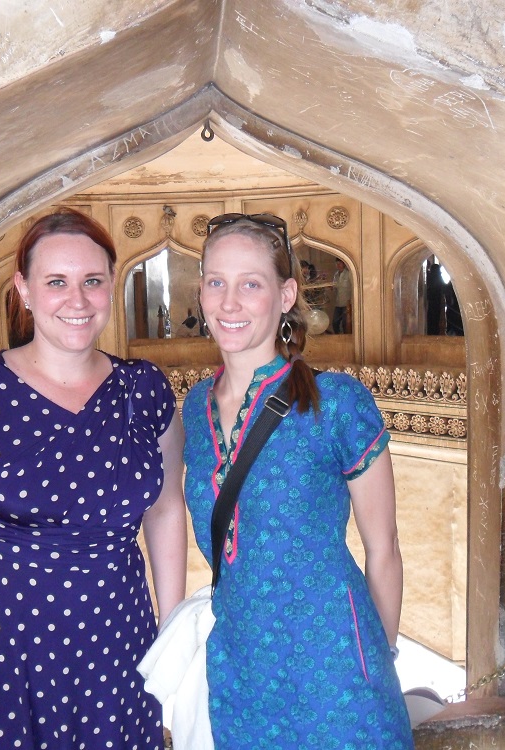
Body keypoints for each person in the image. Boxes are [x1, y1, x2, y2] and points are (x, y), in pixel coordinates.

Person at [0, 208, 187, 749]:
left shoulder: (143, 391)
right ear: (23, 289)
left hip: (114, 636)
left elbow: (166, 508)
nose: (77, 301)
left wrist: (171, 632)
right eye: (56, 282)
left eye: (92, 282)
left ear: (110, 288)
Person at [181, 214, 413, 748]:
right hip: (241, 666)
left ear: (286, 295)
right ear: (200, 294)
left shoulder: (335, 402)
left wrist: (380, 661)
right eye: (216, 282)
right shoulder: (194, 410)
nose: (230, 303)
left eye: (251, 285)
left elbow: (384, 548)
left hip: (336, 667)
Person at [331, 258, 352, 333]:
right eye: (336, 264)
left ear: (343, 264)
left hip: (347, 303)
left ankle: (346, 339)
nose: (338, 265)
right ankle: (338, 338)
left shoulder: (348, 274)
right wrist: (331, 287)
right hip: (338, 303)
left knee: (345, 324)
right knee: (335, 322)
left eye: (339, 263)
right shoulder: (336, 275)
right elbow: (334, 287)